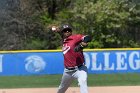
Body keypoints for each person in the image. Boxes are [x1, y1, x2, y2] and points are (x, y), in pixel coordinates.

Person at [51, 24, 92, 93]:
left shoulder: (75, 38)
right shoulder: (64, 39)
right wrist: (56, 30)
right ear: (63, 33)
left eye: (69, 30)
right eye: (65, 31)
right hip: (67, 71)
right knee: (61, 89)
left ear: (71, 32)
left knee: (83, 81)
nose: (67, 31)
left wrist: (83, 43)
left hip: (80, 69)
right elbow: (61, 34)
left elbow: (88, 37)